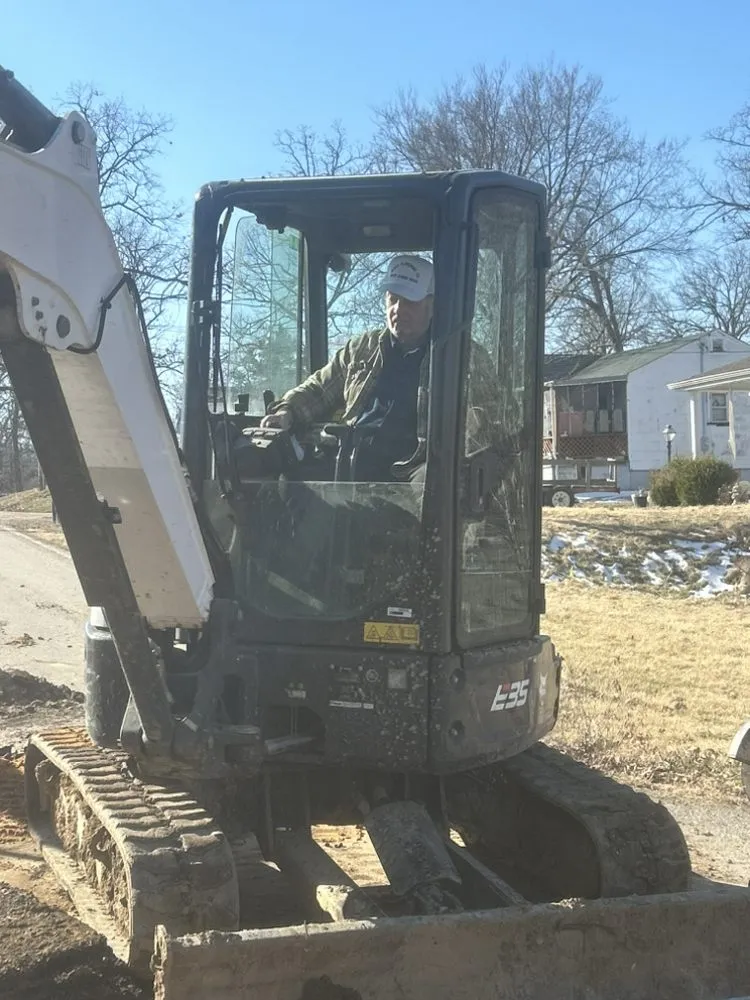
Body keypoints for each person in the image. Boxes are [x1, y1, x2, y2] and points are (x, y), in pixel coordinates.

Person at [261, 254, 434, 481]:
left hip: (412, 467)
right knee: (289, 480)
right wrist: (287, 411)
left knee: (433, 485)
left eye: (410, 301)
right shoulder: (362, 348)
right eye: (393, 299)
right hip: (353, 457)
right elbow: (319, 389)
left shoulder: (459, 358)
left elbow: (477, 431)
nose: (398, 310)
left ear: (432, 306)